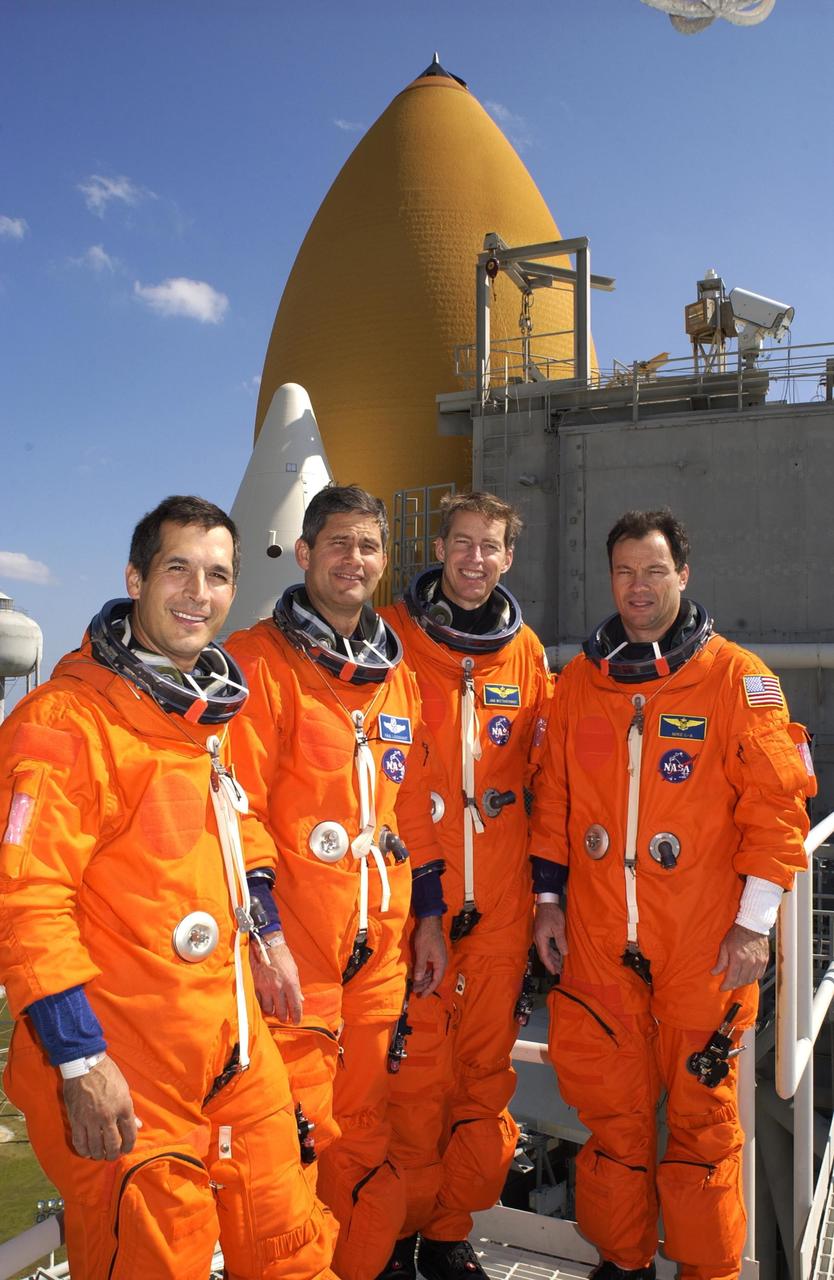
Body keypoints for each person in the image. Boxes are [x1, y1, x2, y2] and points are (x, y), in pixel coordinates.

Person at [0, 495, 337, 1280]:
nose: (199, 592)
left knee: (293, 1247)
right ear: (134, 577)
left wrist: (270, 937)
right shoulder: (67, 723)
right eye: (177, 568)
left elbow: (239, 833)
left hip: (234, 1049)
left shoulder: (201, 720)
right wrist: (81, 1064)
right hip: (125, 1067)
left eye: (218, 575)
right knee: (156, 1259)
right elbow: (25, 903)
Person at [531, 508, 814, 1280]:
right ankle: (622, 1262)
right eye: (624, 571)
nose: (638, 587)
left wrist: (754, 926)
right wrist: (548, 903)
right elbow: (553, 799)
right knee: (614, 1124)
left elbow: (778, 814)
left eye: (654, 571)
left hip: (702, 946)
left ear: (683, 576)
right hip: (595, 941)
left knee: (703, 1130)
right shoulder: (580, 684)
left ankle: (708, 1271)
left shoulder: (739, 679)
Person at [226, 483, 445, 1280]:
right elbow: (237, 811)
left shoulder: (399, 678)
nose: (354, 560)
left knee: (363, 1131)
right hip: (295, 956)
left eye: (369, 547)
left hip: (377, 955)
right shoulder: (257, 663)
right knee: (291, 1143)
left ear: (384, 564)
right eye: (339, 544)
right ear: (307, 552)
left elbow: (410, 811)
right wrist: (266, 932)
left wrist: (426, 916)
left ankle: (359, 1268)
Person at [378, 491, 554, 1280]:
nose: (474, 559)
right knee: (412, 1079)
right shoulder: (390, 637)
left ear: (508, 557)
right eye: (462, 543)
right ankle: (395, 1236)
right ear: (439, 547)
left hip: (504, 907)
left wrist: (549, 897)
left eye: (490, 546)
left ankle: (449, 1234)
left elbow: (547, 783)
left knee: (482, 1082)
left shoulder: (529, 655)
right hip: (419, 899)